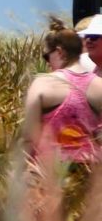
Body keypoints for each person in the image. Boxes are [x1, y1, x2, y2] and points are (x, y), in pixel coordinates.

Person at [23, 19, 102, 162]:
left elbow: (29, 138)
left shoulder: (42, 84)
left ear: (59, 52)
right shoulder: (98, 82)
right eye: (88, 37)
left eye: (47, 56)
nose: (47, 62)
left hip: (50, 174)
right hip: (90, 172)